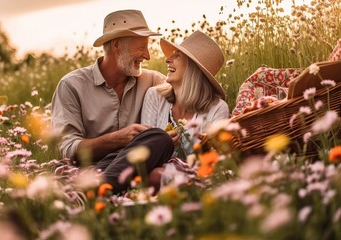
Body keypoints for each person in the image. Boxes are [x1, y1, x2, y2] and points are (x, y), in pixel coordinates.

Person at [51, 9, 174, 194]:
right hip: (91, 169)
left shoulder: (153, 81)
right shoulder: (72, 85)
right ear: (116, 45)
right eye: (141, 47)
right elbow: (68, 149)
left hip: (131, 170)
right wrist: (119, 139)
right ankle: (99, 189)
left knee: (160, 138)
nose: (147, 55)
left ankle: (94, 192)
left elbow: (189, 91)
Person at [141, 30, 229, 159]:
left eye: (177, 56)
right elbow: (145, 151)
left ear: (193, 68)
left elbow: (218, 160)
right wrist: (163, 145)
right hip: (155, 175)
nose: (168, 59)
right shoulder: (154, 96)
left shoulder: (217, 108)